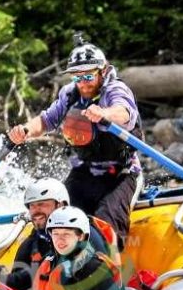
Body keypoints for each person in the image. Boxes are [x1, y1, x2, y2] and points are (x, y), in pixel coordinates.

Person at [7, 35, 143, 247]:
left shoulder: (115, 90)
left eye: (87, 77)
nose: (82, 84)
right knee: (58, 221)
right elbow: (46, 120)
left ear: (103, 72)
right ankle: (48, 263)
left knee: (104, 226)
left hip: (120, 174)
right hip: (83, 172)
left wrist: (104, 113)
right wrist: (24, 131)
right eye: (76, 77)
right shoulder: (70, 94)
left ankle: (102, 262)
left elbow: (124, 113)